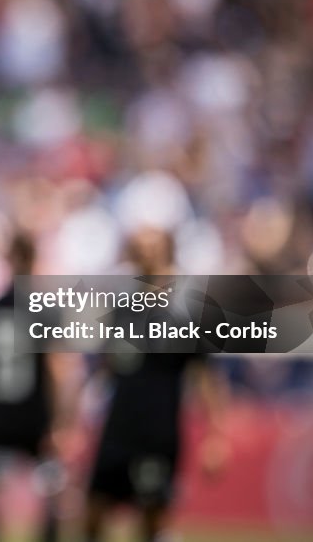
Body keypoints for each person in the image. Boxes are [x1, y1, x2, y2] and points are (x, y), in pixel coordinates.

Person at [83, 226, 228, 542]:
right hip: (118, 425)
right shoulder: (122, 309)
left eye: (153, 246)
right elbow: (107, 368)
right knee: (92, 512)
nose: (145, 253)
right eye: (139, 247)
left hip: (158, 430)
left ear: (167, 251)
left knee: (152, 517)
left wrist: (215, 436)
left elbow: (205, 376)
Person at [0, 230, 79, 542]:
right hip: (36, 416)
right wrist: (63, 421)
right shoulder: (44, 310)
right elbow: (58, 369)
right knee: (52, 495)